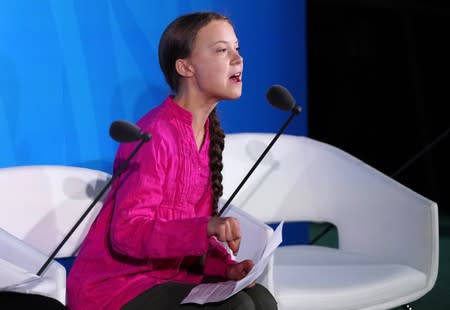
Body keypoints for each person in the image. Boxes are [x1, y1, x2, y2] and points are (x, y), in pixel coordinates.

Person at [67, 11, 278, 310]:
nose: (238, 59)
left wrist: (225, 268)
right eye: (221, 50)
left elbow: (190, 232)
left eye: (237, 49)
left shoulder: (207, 136)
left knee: (261, 299)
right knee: (238, 306)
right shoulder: (154, 135)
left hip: (170, 279)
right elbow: (127, 234)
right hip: (117, 288)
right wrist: (204, 227)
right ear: (186, 66)